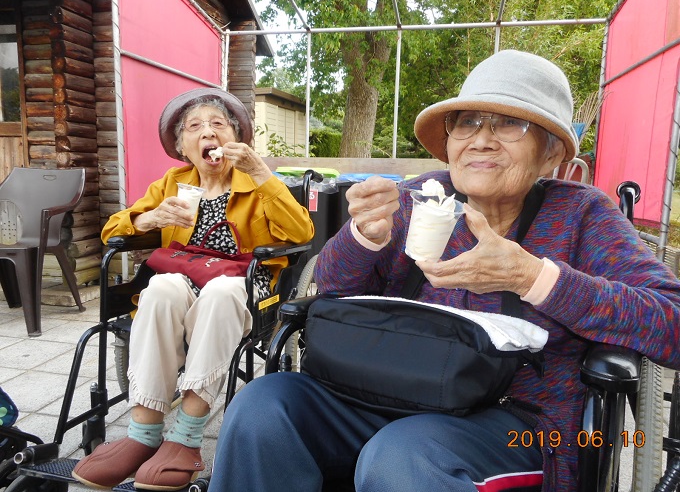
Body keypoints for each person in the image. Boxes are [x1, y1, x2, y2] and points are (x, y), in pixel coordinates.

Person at [207, 50, 680, 492]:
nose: (481, 139)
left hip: (521, 423)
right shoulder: (421, 198)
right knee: (263, 407)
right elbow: (332, 289)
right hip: (388, 391)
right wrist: (362, 238)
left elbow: (672, 322)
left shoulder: (581, 215)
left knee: (404, 455)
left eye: (510, 124)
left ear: (552, 152)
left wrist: (533, 278)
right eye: (468, 121)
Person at [72, 88, 314, 490]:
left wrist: (261, 174)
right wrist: (151, 218)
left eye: (218, 125)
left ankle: (185, 438)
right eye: (195, 127)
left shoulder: (256, 183)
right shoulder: (174, 182)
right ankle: (143, 433)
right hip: (183, 274)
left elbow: (302, 231)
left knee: (219, 293)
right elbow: (112, 230)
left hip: (241, 282)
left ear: (236, 139)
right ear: (183, 146)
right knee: (161, 288)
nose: (208, 133)